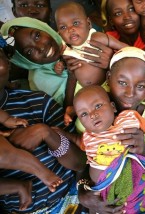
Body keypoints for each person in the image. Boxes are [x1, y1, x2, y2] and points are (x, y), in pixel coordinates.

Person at [77, 46, 145, 214]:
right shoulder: (91, 116)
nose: (130, 93)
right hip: (112, 204)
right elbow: (86, 161)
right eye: (122, 83)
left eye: (140, 86)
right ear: (109, 77)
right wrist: (83, 192)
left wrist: (144, 149)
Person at [0, 47, 87, 213]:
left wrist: (45, 132)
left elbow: (80, 162)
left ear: (8, 63)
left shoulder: (37, 102)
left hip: (70, 200)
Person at [54, 1, 127, 124]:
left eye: (76, 23)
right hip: (82, 89)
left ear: (88, 23)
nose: (70, 29)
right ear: (59, 33)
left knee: (116, 106)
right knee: (81, 114)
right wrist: (59, 67)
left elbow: (125, 48)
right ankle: (71, 112)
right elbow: (66, 67)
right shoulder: (65, 49)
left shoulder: (97, 38)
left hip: (105, 85)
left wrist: (115, 60)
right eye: (63, 27)